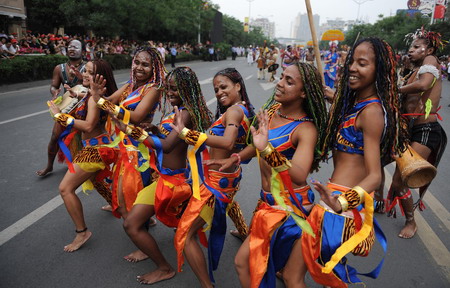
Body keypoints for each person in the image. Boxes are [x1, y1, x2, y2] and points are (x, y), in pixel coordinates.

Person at [301, 37, 408, 287]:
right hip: (333, 200)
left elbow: (374, 176)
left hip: (340, 207)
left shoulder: (371, 112)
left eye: (362, 63)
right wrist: (333, 97)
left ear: (378, 70)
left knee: (325, 274)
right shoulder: (355, 104)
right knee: (315, 270)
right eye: (352, 62)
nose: (352, 68)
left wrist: (339, 203)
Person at [213, 63, 327, 287]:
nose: (280, 83)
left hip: (290, 208)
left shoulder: (305, 129)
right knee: (260, 265)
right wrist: (236, 158)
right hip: (267, 205)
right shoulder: (273, 111)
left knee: (253, 266)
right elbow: (257, 143)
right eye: (282, 77)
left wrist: (266, 149)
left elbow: (299, 173)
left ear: (304, 93)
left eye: (289, 81)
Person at [113, 67, 213, 284]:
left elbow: (167, 147)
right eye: (168, 88)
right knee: (135, 224)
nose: (169, 92)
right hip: (166, 179)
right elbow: (168, 138)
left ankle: (173, 271)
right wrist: (156, 130)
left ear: (187, 89)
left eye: (175, 89)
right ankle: (166, 267)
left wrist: (132, 130)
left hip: (175, 184)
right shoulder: (176, 110)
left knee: (140, 226)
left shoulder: (185, 113)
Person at [170, 68, 255, 288]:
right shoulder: (241, 110)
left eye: (224, 87)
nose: (218, 92)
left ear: (238, 85)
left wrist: (186, 134)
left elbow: (227, 142)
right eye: (216, 89)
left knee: (184, 235)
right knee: (191, 226)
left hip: (216, 186)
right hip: (222, 181)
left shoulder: (235, 112)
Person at [48, 59, 118, 252]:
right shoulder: (91, 94)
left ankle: (82, 232)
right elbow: (85, 95)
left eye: (89, 72)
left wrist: (60, 117)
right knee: (98, 181)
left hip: (95, 150)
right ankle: (129, 211)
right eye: (84, 71)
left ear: (99, 77)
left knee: (65, 188)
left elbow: (88, 125)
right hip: (96, 146)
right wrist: (75, 93)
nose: (84, 74)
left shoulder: (94, 99)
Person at [91, 47, 166, 219]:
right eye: (137, 62)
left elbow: (137, 116)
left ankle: (141, 231)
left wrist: (102, 103)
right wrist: (95, 94)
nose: (139, 67)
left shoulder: (153, 89)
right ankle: (141, 224)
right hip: (123, 144)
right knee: (122, 195)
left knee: (133, 194)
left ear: (154, 68)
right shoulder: (130, 84)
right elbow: (109, 101)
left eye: (145, 65)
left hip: (138, 149)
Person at [386, 28, 447, 239]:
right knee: (379, 162)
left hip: (426, 131)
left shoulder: (431, 60)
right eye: (411, 47)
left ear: (429, 49)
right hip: (409, 131)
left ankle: (411, 222)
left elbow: (423, 85)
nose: (411, 51)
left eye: (416, 47)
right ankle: (377, 199)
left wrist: (394, 90)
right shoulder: (416, 69)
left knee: (399, 181)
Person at [36, 39, 86, 177]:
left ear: (83, 51)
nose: (71, 49)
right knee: (54, 136)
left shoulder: (88, 67)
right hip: (66, 108)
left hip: (84, 107)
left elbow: (93, 88)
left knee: (84, 138)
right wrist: (54, 92)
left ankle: (85, 164)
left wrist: (81, 79)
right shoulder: (59, 68)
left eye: (76, 47)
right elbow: (54, 85)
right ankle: (49, 166)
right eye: (69, 46)